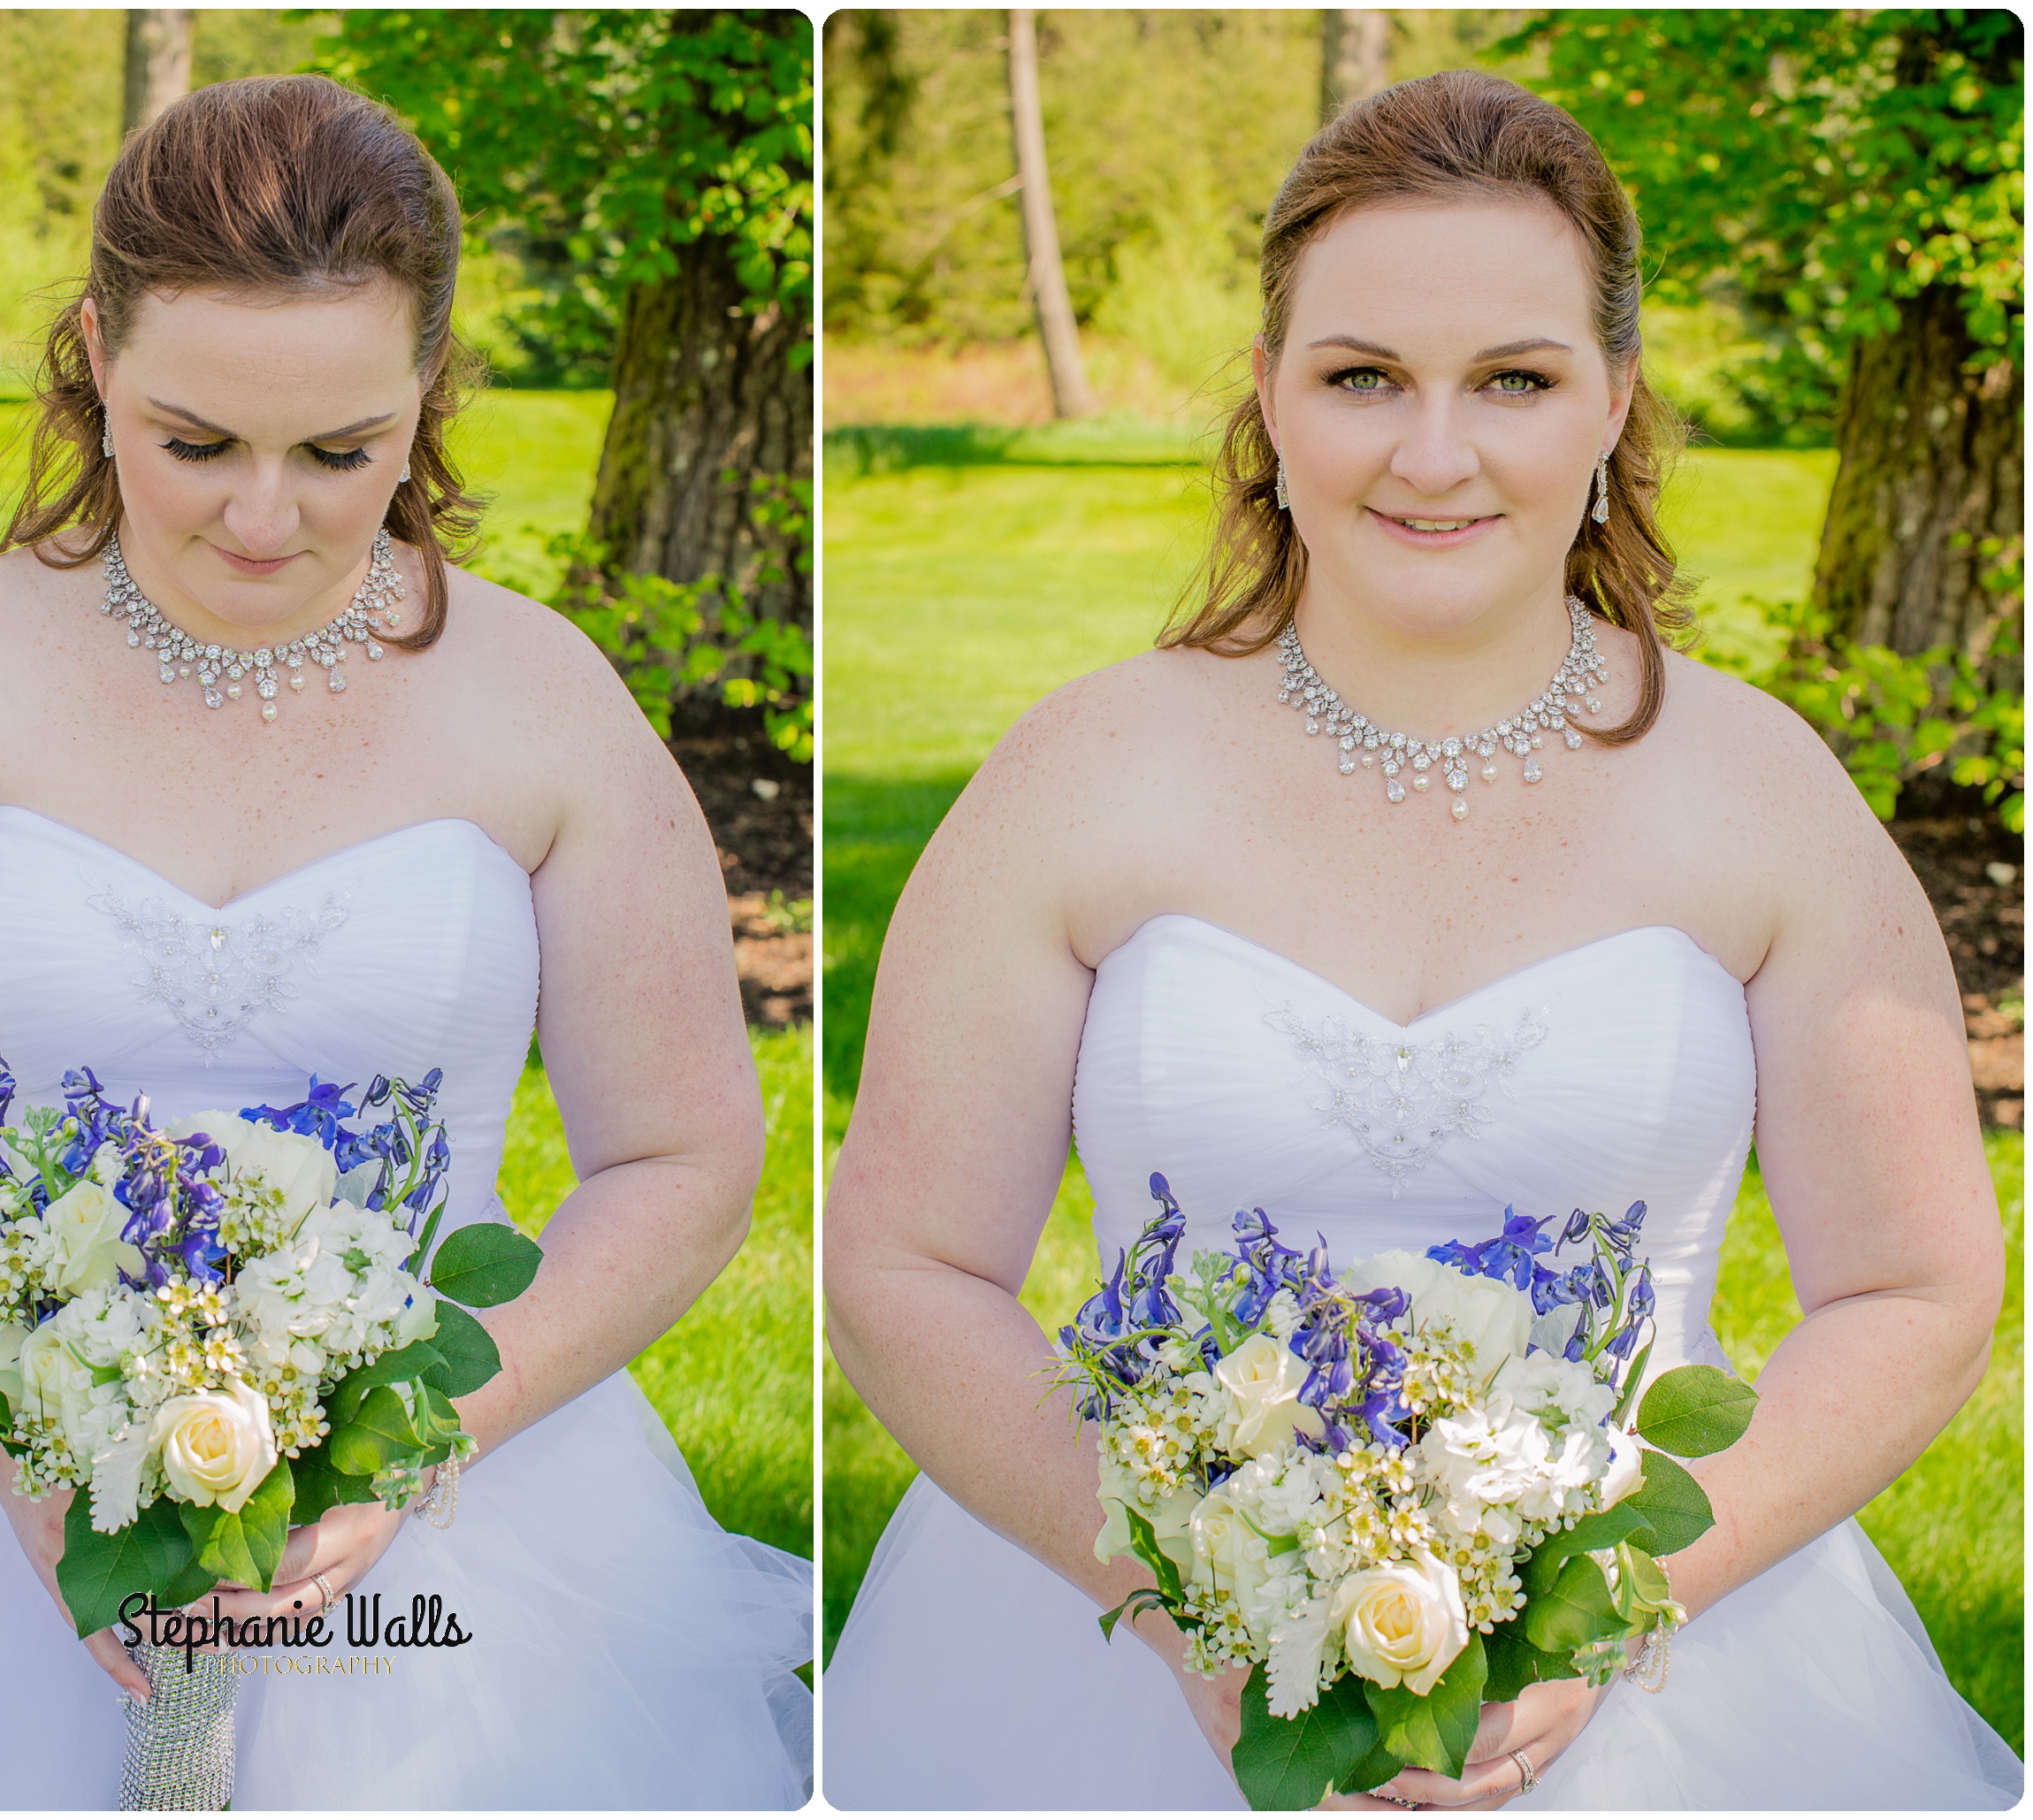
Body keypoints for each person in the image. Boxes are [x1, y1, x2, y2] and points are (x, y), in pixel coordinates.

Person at [823, 69, 2017, 1811]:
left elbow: (1919, 1286)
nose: (1435, 453)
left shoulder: (1762, 795)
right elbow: (908, 1261)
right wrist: (1189, 1607)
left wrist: (1603, 1610)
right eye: (1364, 375)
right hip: (1105, 1663)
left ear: (1612, 400)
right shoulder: (1081, 775)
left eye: (1515, 381)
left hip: (1669, 1675)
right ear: (1270, 398)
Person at [0, 75, 811, 1809]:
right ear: (96, 356)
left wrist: (418, 1447)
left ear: (428, 395)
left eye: (340, 452)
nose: (266, 518)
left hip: (445, 1520)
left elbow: (689, 1147)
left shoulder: (544, 702)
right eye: (197, 442)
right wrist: (0, 1435)